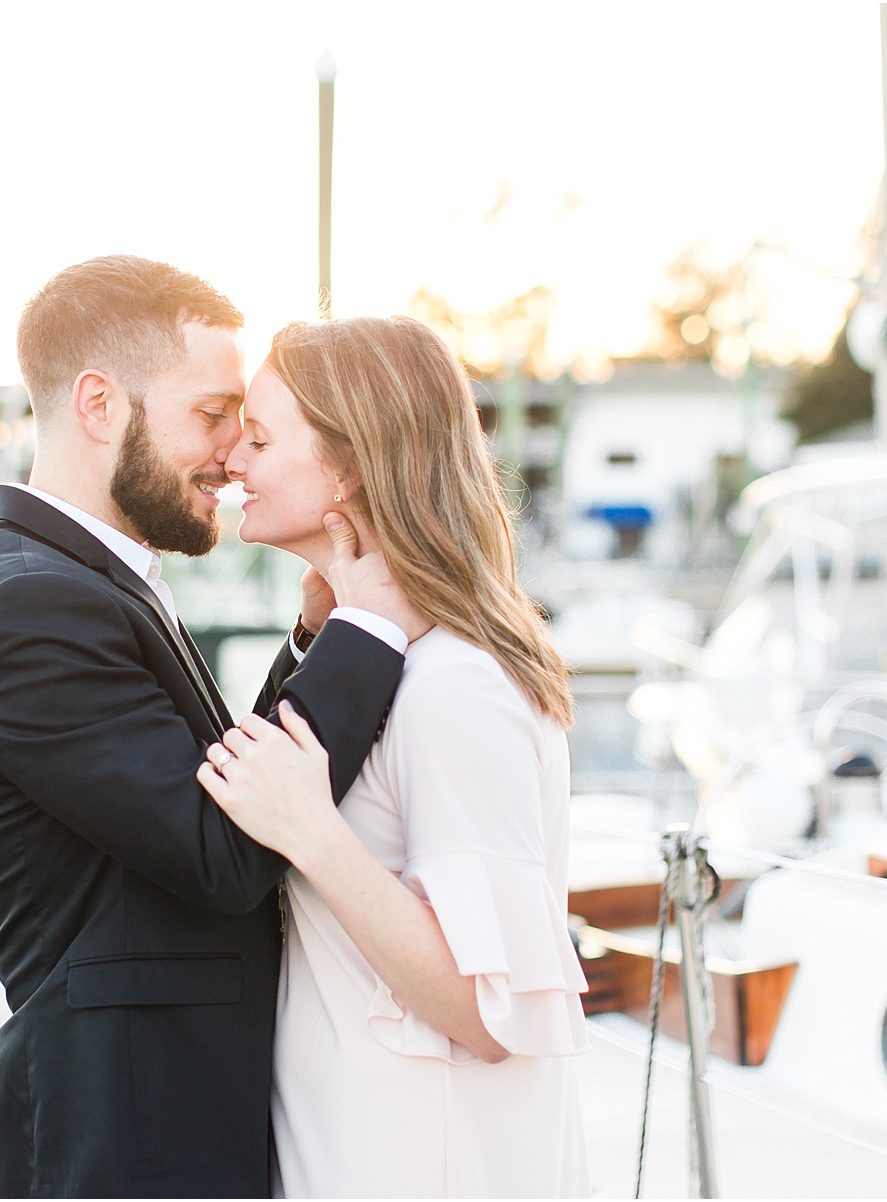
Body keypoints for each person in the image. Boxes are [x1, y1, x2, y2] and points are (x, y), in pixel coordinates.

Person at [0, 256, 421, 1197]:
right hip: (119, 1148)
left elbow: (219, 781)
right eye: (211, 413)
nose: (235, 453)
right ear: (100, 404)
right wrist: (373, 622)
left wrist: (314, 638)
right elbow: (226, 850)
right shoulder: (31, 609)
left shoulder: (81, 582)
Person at [198, 315, 592, 1197]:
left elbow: (493, 1012)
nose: (233, 463)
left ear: (351, 467)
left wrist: (314, 837)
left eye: (260, 439)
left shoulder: (458, 686)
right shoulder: (381, 664)